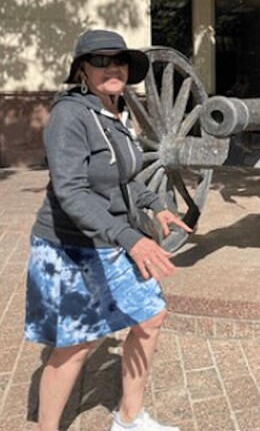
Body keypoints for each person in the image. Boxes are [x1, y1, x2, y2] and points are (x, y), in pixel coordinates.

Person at [25, 30, 191, 431]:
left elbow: (121, 176)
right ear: (82, 69)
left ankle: (129, 418)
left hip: (114, 237)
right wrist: (134, 240)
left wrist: (157, 205)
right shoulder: (69, 114)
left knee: (150, 315)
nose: (111, 66)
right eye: (99, 60)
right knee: (75, 347)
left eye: (118, 59)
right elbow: (72, 191)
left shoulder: (116, 113)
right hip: (72, 246)